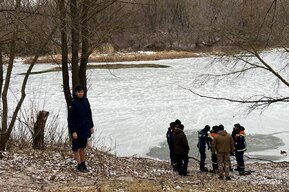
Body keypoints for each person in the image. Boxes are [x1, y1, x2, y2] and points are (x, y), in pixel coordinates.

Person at [68, 85, 94, 173]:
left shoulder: (86, 101)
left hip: (85, 127)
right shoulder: (73, 103)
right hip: (77, 129)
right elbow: (70, 119)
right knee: (76, 148)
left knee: (82, 147)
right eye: (79, 92)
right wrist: (73, 131)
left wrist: (91, 126)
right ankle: (79, 165)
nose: (81, 93)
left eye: (82, 92)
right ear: (76, 93)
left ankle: (83, 164)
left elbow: (89, 114)